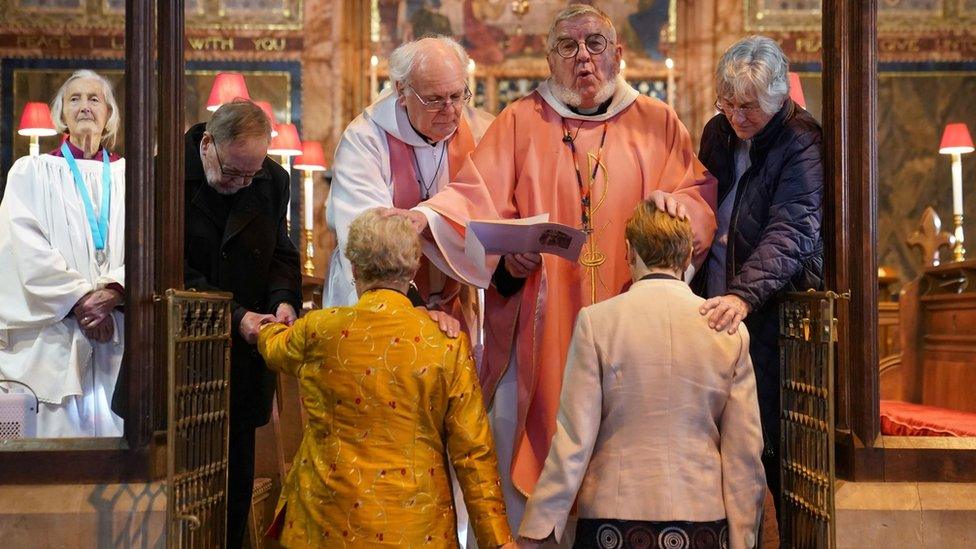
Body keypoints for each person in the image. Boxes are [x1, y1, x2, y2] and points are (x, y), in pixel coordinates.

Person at [390, 4, 717, 527]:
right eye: (568, 46)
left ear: (619, 54)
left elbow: (697, 198)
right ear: (550, 59)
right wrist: (440, 228)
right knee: (532, 459)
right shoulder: (521, 121)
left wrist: (684, 210)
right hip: (543, 323)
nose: (582, 57)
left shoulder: (659, 124)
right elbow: (473, 199)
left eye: (594, 43)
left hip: (632, 321)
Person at [258, 208, 515, 549]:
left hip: (325, 525)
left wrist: (262, 326)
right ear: (413, 268)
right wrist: (497, 542)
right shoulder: (445, 342)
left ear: (354, 267)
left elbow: (274, 347)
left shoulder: (319, 329)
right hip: (417, 530)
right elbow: (473, 453)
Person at [518, 201, 765, 549]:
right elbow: (744, 453)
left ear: (629, 252)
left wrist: (539, 525)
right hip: (701, 520)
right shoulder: (726, 331)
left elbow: (574, 440)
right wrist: (744, 537)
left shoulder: (598, 323)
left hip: (613, 523)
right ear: (686, 258)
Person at [692, 35, 824, 515]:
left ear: (778, 97)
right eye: (727, 104)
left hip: (768, 309)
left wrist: (744, 295)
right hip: (715, 301)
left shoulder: (802, 140)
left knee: (768, 445)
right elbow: (699, 200)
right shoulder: (718, 131)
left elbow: (793, 230)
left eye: (748, 107)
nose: (736, 117)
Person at [182, 99, 302, 549]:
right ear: (208, 144)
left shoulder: (271, 180)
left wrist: (284, 301)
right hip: (188, 349)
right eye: (233, 173)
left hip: (245, 360)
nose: (242, 184)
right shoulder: (166, 173)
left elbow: (281, 254)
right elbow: (167, 270)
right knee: (188, 487)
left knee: (236, 486)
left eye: (250, 175)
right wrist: (235, 317)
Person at [325, 36, 494, 336]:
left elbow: (486, 207)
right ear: (401, 90)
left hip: (455, 297)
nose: (450, 110)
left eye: (457, 95)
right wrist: (413, 307)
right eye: (434, 99)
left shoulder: (481, 132)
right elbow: (368, 236)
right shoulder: (364, 140)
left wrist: (428, 216)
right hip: (381, 303)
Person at [0, 69, 125, 438]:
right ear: (61, 115)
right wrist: (82, 299)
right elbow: (22, 244)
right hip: (54, 330)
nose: (84, 106)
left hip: (117, 329)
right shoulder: (31, 172)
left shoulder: (131, 176)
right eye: (74, 99)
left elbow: (148, 241)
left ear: (109, 114)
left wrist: (115, 291)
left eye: (94, 99)